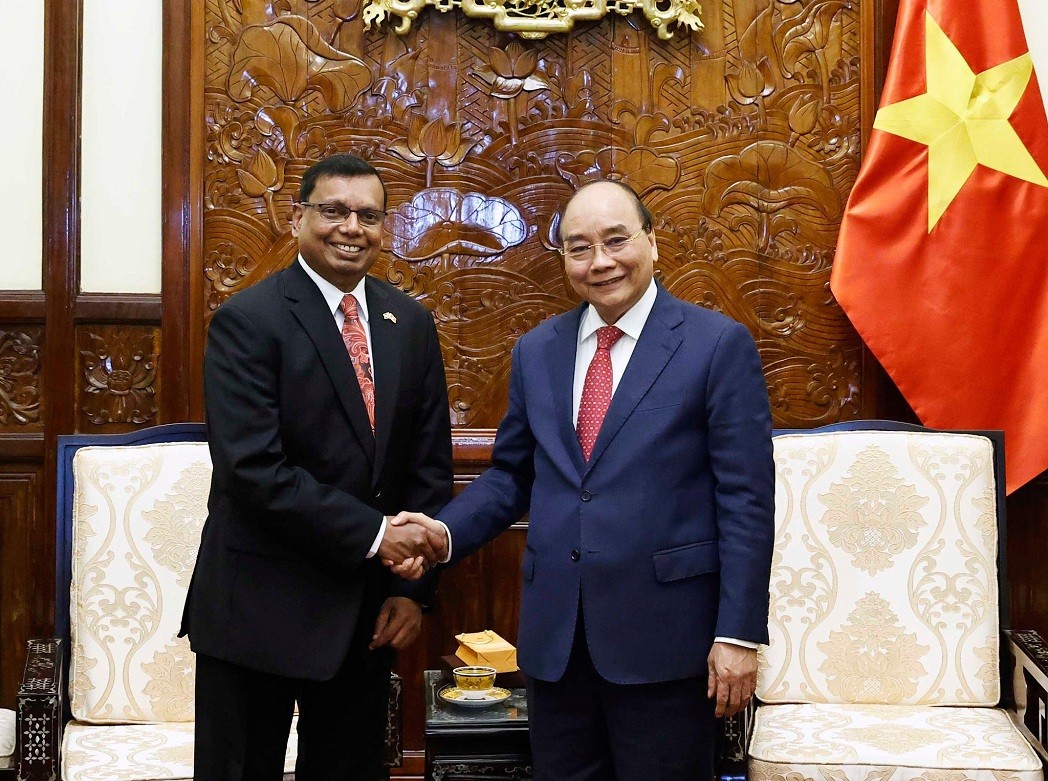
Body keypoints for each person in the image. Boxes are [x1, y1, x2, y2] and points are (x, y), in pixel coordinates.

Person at [392, 180, 774, 780]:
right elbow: (511, 476)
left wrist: (738, 635)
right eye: (579, 247)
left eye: (616, 240)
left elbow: (746, 500)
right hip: (557, 645)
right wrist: (442, 533)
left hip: (668, 644)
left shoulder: (716, 345)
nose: (601, 261)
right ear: (564, 259)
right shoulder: (537, 351)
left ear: (652, 241)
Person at [180, 153, 452, 781]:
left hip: (365, 619)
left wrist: (411, 591)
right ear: (298, 216)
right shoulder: (249, 320)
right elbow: (255, 472)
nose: (351, 227)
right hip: (256, 614)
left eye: (368, 215)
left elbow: (428, 465)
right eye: (333, 211)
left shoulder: (408, 323)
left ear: (385, 227)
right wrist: (381, 536)